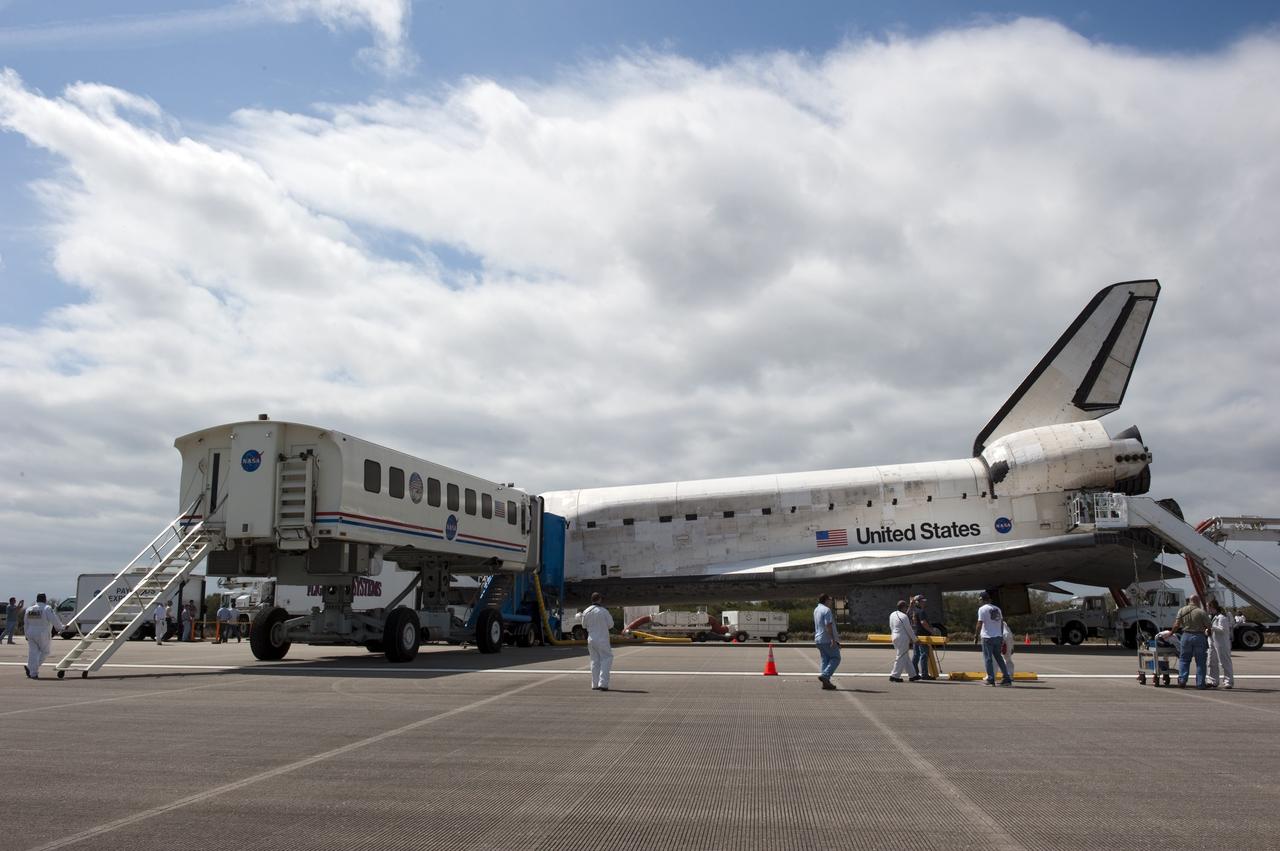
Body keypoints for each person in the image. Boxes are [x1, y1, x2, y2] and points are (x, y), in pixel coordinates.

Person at [22, 593, 66, 679]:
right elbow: (54, 620)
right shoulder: (47, 608)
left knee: (33, 653)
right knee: (45, 652)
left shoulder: (29, 609)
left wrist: (26, 634)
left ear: (37, 599)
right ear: (45, 599)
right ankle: (32, 670)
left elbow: (25, 623)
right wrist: (61, 627)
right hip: (42, 633)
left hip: (30, 632)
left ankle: (31, 670)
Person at [1172, 593, 1211, 689]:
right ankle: (1200, 684)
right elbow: (1209, 626)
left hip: (1186, 636)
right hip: (1199, 637)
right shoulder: (1201, 612)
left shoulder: (1182, 610)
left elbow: (1176, 625)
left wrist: (1171, 633)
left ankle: (1182, 680)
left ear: (1189, 601)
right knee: (1200, 661)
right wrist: (1208, 633)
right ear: (1197, 601)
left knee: (1184, 659)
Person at [975, 591, 1013, 686]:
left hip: (987, 637)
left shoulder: (982, 609)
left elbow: (979, 623)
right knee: (999, 658)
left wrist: (976, 635)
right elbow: (1001, 623)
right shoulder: (997, 609)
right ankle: (1007, 678)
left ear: (981, 599)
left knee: (988, 659)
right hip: (998, 637)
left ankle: (991, 679)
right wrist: (1000, 635)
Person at [581, 592, 615, 691]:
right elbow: (611, 625)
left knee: (594, 661)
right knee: (606, 658)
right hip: (602, 639)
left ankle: (594, 684)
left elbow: (583, 625)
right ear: (599, 599)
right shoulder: (604, 611)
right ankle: (603, 683)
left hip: (591, 639)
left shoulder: (586, 611)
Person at [1206, 598, 1235, 690]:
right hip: (1212, 642)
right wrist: (1207, 631)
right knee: (1211, 662)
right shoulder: (1211, 617)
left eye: (1208, 606)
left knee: (1224, 662)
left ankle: (1228, 681)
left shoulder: (1222, 617)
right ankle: (1213, 680)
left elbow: (1223, 629)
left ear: (1212, 607)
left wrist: (1212, 627)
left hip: (1221, 643)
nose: (1207, 608)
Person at [813, 594, 840, 690]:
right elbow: (828, 625)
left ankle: (826, 683)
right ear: (826, 600)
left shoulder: (816, 610)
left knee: (825, 659)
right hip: (826, 638)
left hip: (818, 639)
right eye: (830, 599)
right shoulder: (826, 610)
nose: (831, 601)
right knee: (836, 658)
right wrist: (833, 639)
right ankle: (825, 676)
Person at [888, 600, 917, 682]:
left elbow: (891, 626)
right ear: (903, 607)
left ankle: (913, 675)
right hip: (902, 638)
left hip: (894, 637)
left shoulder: (893, 614)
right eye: (906, 607)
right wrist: (915, 639)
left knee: (905, 657)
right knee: (901, 657)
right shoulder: (904, 617)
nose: (907, 608)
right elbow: (909, 629)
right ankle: (894, 676)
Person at [909, 595, 936, 679]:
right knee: (924, 654)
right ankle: (924, 674)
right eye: (922, 601)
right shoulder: (921, 611)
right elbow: (923, 622)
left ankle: (915, 673)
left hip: (915, 634)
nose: (924, 602)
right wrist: (931, 631)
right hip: (922, 635)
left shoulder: (913, 611)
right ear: (918, 602)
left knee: (916, 655)